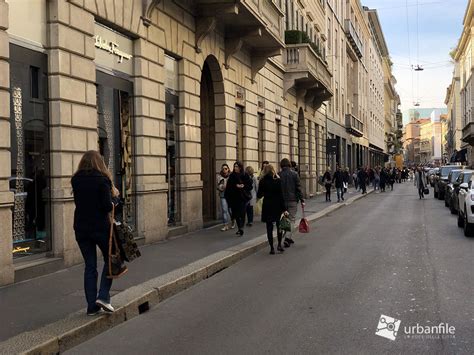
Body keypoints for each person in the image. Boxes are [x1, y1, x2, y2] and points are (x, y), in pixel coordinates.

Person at [71, 150, 119, 316]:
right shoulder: (102, 180)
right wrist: (115, 199)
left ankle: (92, 306)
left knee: (90, 266)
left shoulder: (75, 179)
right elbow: (107, 206)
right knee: (111, 259)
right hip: (100, 227)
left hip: (81, 228)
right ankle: (103, 296)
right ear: (99, 163)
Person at [257, 164, 286, 254]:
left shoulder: (262, 181)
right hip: (277, 205)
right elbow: (281, 195)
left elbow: (259, 195)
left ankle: (272, 248)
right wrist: (284, 208)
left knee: (269, 227)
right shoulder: (278, 181)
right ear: (273, 170)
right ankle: (279, 245)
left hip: (267, 205)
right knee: (279, 226)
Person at [279, 158, 305, 247]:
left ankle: (288, 237)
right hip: (292, 200)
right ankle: (287, 237)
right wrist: (302, 200)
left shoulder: (279, 175)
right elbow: (298, 188)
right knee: (291, 219)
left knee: (284, 219)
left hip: (282, 201)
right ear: (289, 165)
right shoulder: (294, 174)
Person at [225, 161, 252, 236]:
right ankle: (239, 227)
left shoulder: (244, 175)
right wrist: (235, 186)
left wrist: (243, 186)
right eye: (235, 166)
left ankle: (241, 227)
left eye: (237, 166)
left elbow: (250, 186)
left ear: (240, 167)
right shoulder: (232, 175)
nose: (235, 168)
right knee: (236, 213)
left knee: (242, 213)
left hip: (243, 197)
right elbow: (229, 187)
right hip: (234, 197)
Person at [217, 164, 231, 231]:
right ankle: (226, 225)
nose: (224, 170)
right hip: (223, 195)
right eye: (223, 169)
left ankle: (233, 220)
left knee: (230, 211)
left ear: (228, 169)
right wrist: (221, 187)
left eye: (226, 168)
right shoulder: (219, 177)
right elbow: (218, 186)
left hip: (230, 195)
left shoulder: (231, 176)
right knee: (224, 210)